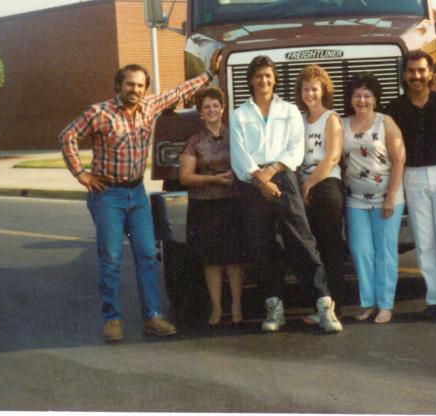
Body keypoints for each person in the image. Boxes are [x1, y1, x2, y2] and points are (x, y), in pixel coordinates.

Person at [60, 64, 211, 342]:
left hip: (137, 194)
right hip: (107, 195)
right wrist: (81, 173)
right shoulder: (100, 113)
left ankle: (152, 317)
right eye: (130, 85)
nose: (136, 90)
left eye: (141, 86)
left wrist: (208, 75)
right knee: (112, 258)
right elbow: (68, 135)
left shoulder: (148, 106)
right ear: (118, 86)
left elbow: (178, 91)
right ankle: (112, 320)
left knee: (147, 256)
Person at [229, 55, 342, 334]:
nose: (263, 80)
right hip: (253, 183)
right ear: (251, 80)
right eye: (258, 76)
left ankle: (324, 306)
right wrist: (261, 179)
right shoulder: (239, 115)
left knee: (301, 240)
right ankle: (274, 309)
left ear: (275, 79)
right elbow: (239, 155)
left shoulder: (290, 110)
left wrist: (273, 171)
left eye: (268, 75)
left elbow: (296, 148)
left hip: (284, 179)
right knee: (262, 245)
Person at [385, 50, 436, 324]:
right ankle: (435, 299)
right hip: (413, 176)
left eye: (422, 71)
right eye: (411, 71)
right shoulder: (395, 108)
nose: (417, 76)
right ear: (404, 74)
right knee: (424, 240)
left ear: (430, 73)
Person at [178, 86, 246, 328]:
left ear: (222, 108)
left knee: (235, 258)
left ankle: (237, 305)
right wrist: (213, 179)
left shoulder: (236, 135)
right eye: (206, 107)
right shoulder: (194, 141)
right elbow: (185, 176)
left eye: (215, 105)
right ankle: (217, 308)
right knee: (212, 260)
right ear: (201, 113)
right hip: (205, 206)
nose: (212, 110)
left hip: (233, 203)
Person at [342, 73, 406, 324]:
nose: (362, 100)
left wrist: (391, 196)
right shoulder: (342, 124)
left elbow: (399, 159)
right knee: (361, 251)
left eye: (367, 95)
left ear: (375, 99)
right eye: (357, 95)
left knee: (385, 251)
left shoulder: (385, 122)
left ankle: (386, 305)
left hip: (386, 198)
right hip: (355, 199)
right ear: (350, 99)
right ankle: (368, 303)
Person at [295, 65, 347, 322]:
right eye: (306, 89)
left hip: (326, 186)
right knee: (310, 248)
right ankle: (320, 305)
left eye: (314, 89)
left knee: (331, 246)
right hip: (303, 186)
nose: (310, 94)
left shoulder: (331, 118)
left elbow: (332, 157)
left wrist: (308, 185)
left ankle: (336, 306)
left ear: (324, 90)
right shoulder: (299, 119)